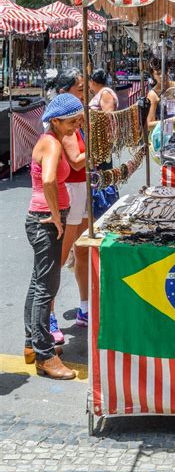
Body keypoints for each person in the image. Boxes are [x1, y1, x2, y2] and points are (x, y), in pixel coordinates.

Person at [24, 94, 83, 379]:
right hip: (45, 220)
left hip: (41, 218)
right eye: (72, 121)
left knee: (39, 283)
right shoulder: (52, 143)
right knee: (46, 286)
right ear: (56, 121)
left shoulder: (52, 140)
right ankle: (45, 355)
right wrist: (57, 215)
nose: (76, 126)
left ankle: (32, 343)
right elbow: (48, 179)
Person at [51, 69, 88, 340]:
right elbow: (76, 161)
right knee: (61, 255)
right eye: (79, 89)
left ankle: (85, 307)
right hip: (72, 189)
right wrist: (97, 145)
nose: (84, 93)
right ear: (65, 93)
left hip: (83, 187)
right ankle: (49, 313)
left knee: (84, 250)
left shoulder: (77, 120)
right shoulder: (64, 125)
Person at [146, 58, 175, 130]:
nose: (162, 76)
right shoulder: (153, 94)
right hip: (164, 135)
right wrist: (172, 121)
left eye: (164, 72)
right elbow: (149, 125)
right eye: (158, 73)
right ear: (153, 75)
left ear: (168, 70)